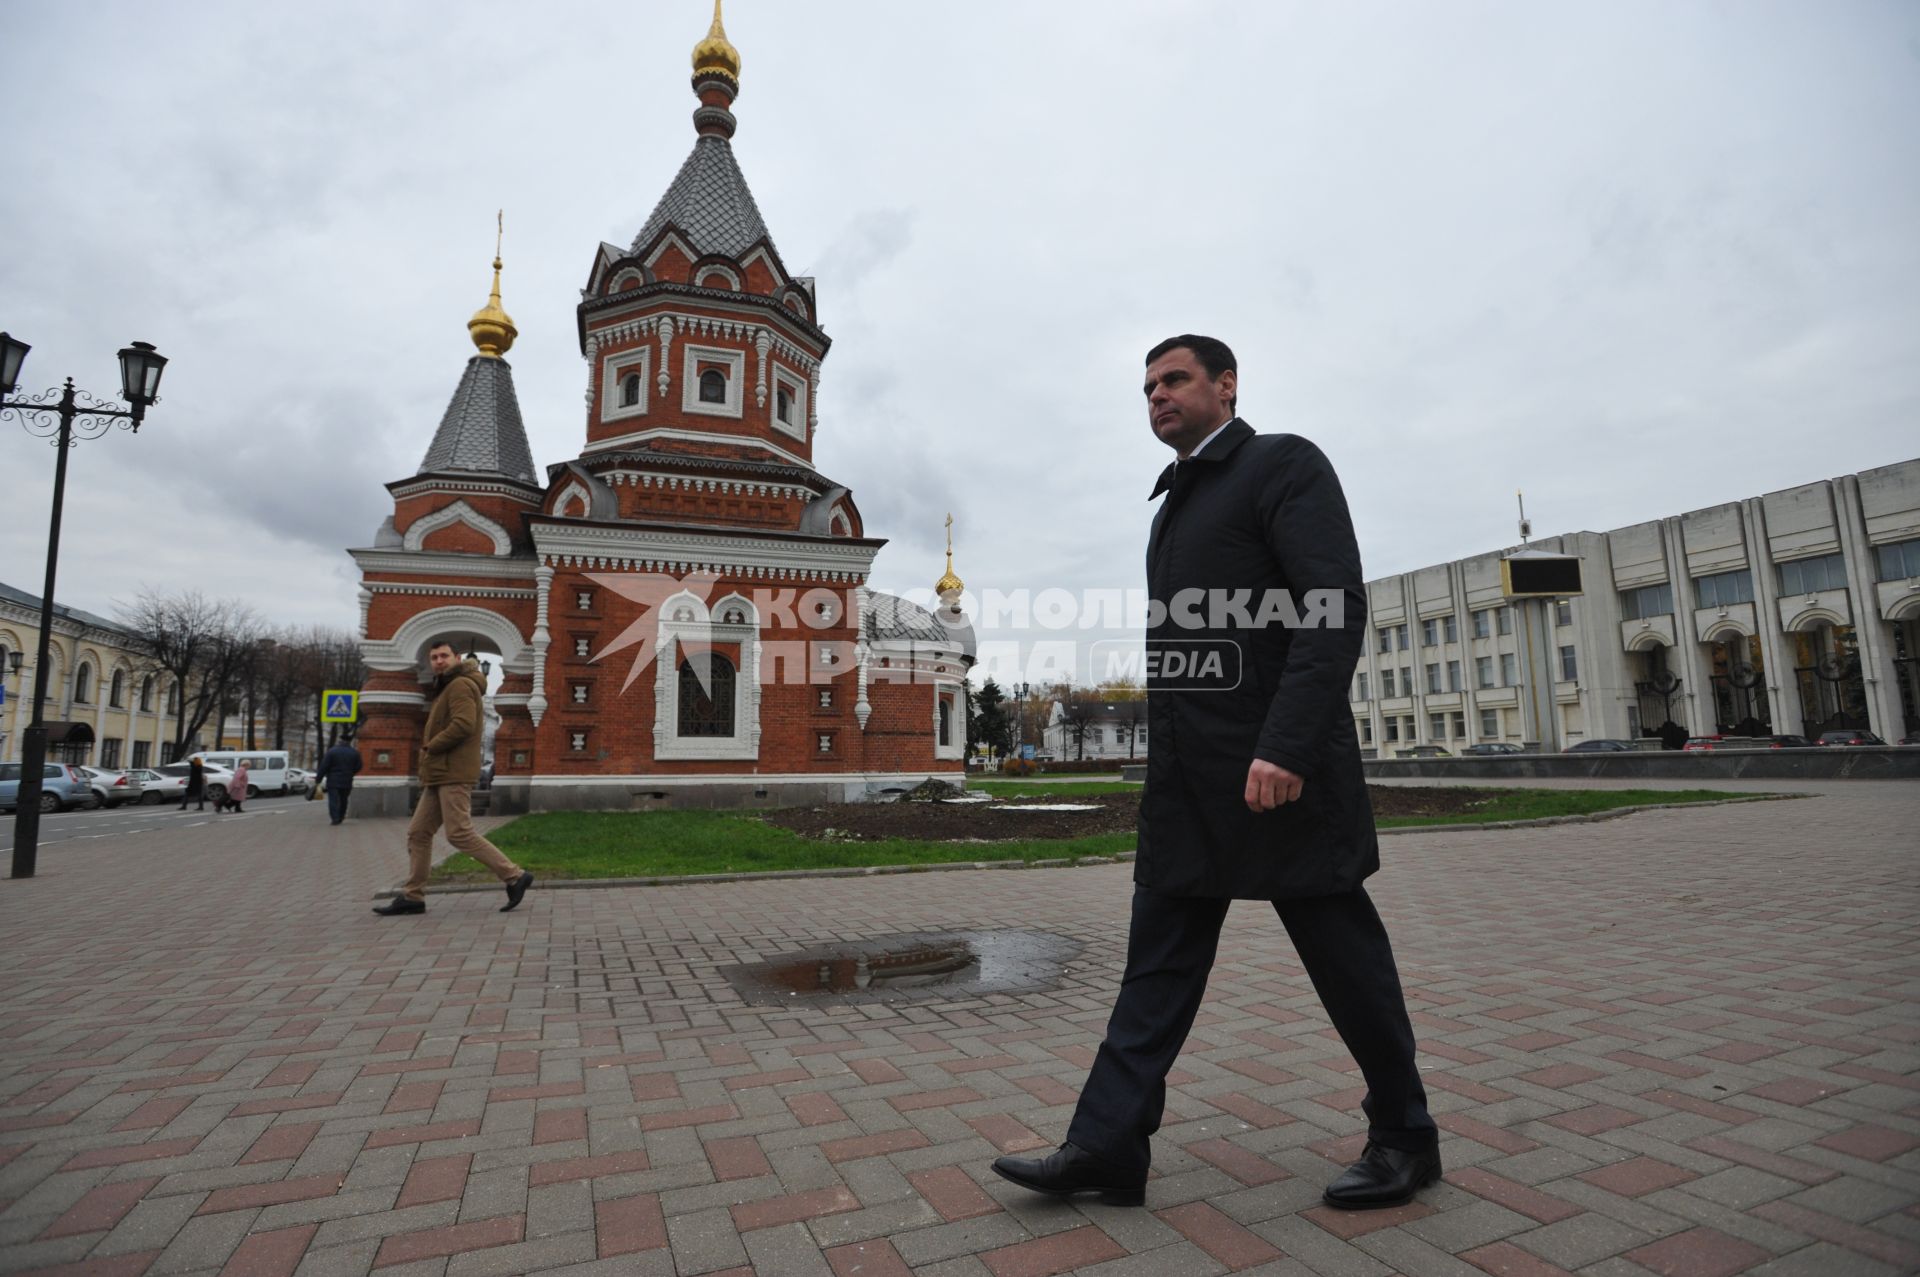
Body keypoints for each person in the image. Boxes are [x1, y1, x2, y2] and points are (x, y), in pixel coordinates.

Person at [991, 336, 1439, 1211]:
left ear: (1226, 386)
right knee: (1154, 967)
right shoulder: (1171, 508)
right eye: (1148, 385)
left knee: (1347, 962)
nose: (1157, 394)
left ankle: (1406, 1135)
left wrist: (1287, 746)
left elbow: (1332, 608)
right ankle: (1109, 1145)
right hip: (1190, 786)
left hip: (1281, 779)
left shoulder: (1283, 467)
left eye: (1176, 379)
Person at [373, 642, 533, 916]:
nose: (438, 661)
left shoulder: (460, 685)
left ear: (456, 658)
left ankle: (514, 876)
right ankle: (413, 896)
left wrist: (431, 746)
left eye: (444, 656)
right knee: (419, 833)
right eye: (434, 657)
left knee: (459, 832)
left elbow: (463, 724)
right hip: (440, 772)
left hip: (452, 771)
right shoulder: (449, 685)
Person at [318, 735, 363, 825]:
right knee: (344, 799)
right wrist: (351, 772)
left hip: (333, 780)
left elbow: (324, 766)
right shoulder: (354, 753)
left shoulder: (332, 751)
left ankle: (335, 818)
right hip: (347, 780)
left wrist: (318, 778)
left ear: (340, 741)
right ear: (349, 742)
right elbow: (359, 766)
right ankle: (341, 816)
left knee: (333, 800)